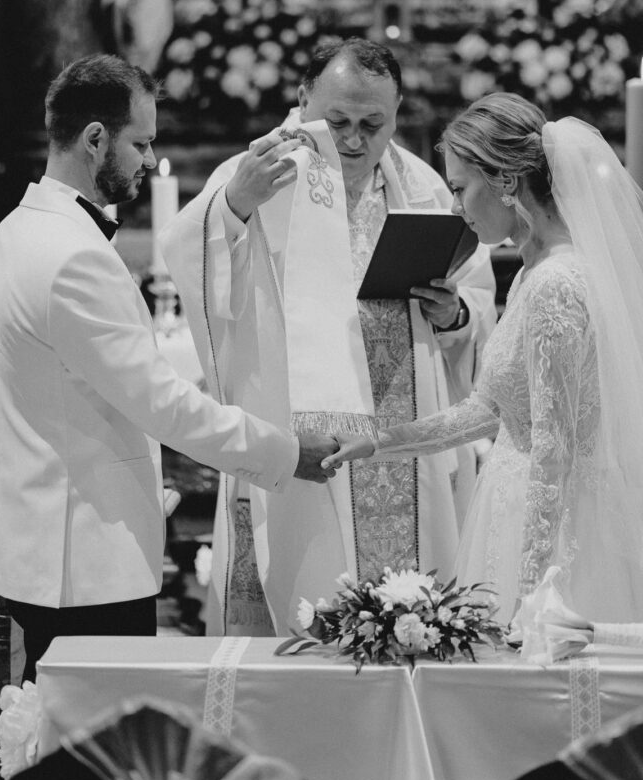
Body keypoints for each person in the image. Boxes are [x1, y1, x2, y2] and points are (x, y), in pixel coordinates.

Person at [0, 54, 337, 680]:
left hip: (47, 552)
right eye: (140, 143)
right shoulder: (72, 258)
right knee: (104, 757)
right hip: (87, 566)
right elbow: (162, 405)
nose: (148, 159)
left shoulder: (11, 234)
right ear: (95, 140)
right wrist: (285, 453)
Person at [160, 38, 497, 635]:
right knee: (302, 595)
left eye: (374, 124)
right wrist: (236, 206)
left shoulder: (420, 185)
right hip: (298, 435)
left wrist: (453, 316)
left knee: (408, 616)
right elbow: (187, 251)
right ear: (302, 100)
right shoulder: (258, 173)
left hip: (400, 437)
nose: (354, 140)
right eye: (336, 120)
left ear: (397, 114)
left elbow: (475, 294)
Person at [324, 92, 643, 624]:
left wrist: (533, 591)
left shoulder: (556, 284)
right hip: (517, 504)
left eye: (459, 188)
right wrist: (379, 442)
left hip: (561, 532)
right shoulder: (529, 273)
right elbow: (489, 409)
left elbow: (553, 450)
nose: (456, 209)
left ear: (505, 181)